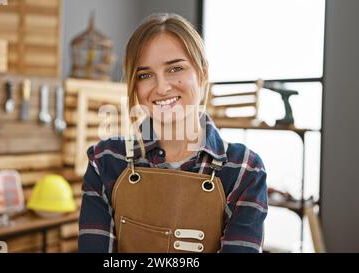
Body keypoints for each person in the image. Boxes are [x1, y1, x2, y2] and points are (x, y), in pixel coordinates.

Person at [78, 13, 268, 253]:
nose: (162, 87)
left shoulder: (244, 170)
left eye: (175, 68)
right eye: (145, 75)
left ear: (203, 73)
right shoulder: (105, 161)